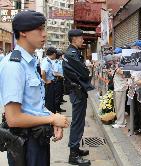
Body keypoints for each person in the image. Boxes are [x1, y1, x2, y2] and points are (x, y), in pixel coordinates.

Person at [0, 10, 69, 166]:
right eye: (39, 29)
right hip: (26, 143)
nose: (44, 34)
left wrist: (53, 119)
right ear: (23, 32)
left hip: (37, 138)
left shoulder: (29, 63)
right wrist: (52, 118)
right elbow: (13, 118)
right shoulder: (14, 66)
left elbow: (34, 106)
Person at [63, 29, 94, 165]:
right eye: (81, 38)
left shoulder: (73, 53)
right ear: (74, 39)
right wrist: (87, 70)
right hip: (77, 92)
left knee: (79, 122)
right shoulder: (72, 54)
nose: (82, 40)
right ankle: (73, 155)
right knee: (77, 122)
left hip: (78, 91)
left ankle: (75, 148)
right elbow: (84, 72)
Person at [41, 47, 57, 113]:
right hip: (49, 84)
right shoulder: (46, 61)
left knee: (52, 101)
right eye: (55, 54)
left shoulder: (48, 60)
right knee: (49, 102)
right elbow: (43, 72)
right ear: (53, 54)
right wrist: (46, 81)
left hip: (51, 83)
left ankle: (52, 115)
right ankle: (49, 117)